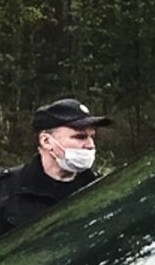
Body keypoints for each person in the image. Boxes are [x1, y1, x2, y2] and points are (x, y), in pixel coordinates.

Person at [0, 98, 113, 236]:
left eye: (92, 137)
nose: (90, 145)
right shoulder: (7, 189)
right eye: (80, 137)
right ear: (46, 141)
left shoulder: (101, 189)